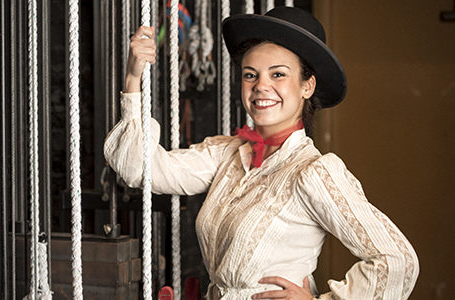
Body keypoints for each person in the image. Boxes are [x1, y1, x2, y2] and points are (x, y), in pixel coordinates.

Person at [104, 6, 419, 300]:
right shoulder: (226, 154)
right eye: (250, 74)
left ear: (307, 86)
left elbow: (397, 261)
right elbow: (141, 169)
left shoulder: (313, 172)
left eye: (278, 74)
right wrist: (133, 79)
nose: (261, 86)